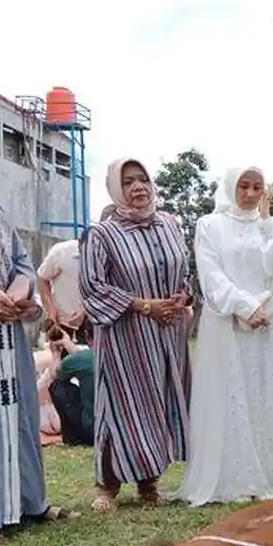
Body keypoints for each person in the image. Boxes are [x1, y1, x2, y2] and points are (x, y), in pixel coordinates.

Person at [0, 129, 74, 542]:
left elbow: (22, 262)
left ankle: (27, 503)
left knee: (17, 415)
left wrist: (19, 292)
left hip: (6, 333)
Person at [176, 165, 273, 506]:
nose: (250, 194)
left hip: (271, 323)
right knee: (232, 392)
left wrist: (268, 223)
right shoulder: (210, 225)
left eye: (257, 187)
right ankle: (234, 476)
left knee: (267, 390)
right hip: (228, 322)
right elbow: (211, 276)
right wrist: (245, 306)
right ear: (231, 186)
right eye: (243, 186)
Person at [79, 157, 194, 512]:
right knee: (121, 404)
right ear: (116, 188)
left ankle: (149, 482)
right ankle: (107, 485)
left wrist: (183, 296)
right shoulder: (102, 234)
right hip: (125, 337)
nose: (138, 187)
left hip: (167, 333)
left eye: (143, 179)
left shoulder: (169, 224)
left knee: (158, 402)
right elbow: (92, 286)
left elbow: (184, 273)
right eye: (128, 182)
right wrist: (144, 306)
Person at [37, 232, 89, 345]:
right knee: (60, 354)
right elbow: (43, 278)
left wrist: (85, 310)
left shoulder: (106, 255)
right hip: (61, 322)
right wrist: (51, 312)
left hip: (93, 322)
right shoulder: (61, 252)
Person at [47, 325, 95, 447]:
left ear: (86, 335)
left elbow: (54, 375)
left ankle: (72, 437)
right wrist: (68, 344)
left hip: (92, 429)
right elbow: (86, 360)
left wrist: (56, 353)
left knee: (57, 386)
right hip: (124, 427)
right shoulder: (126, 355)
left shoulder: (82, 359)